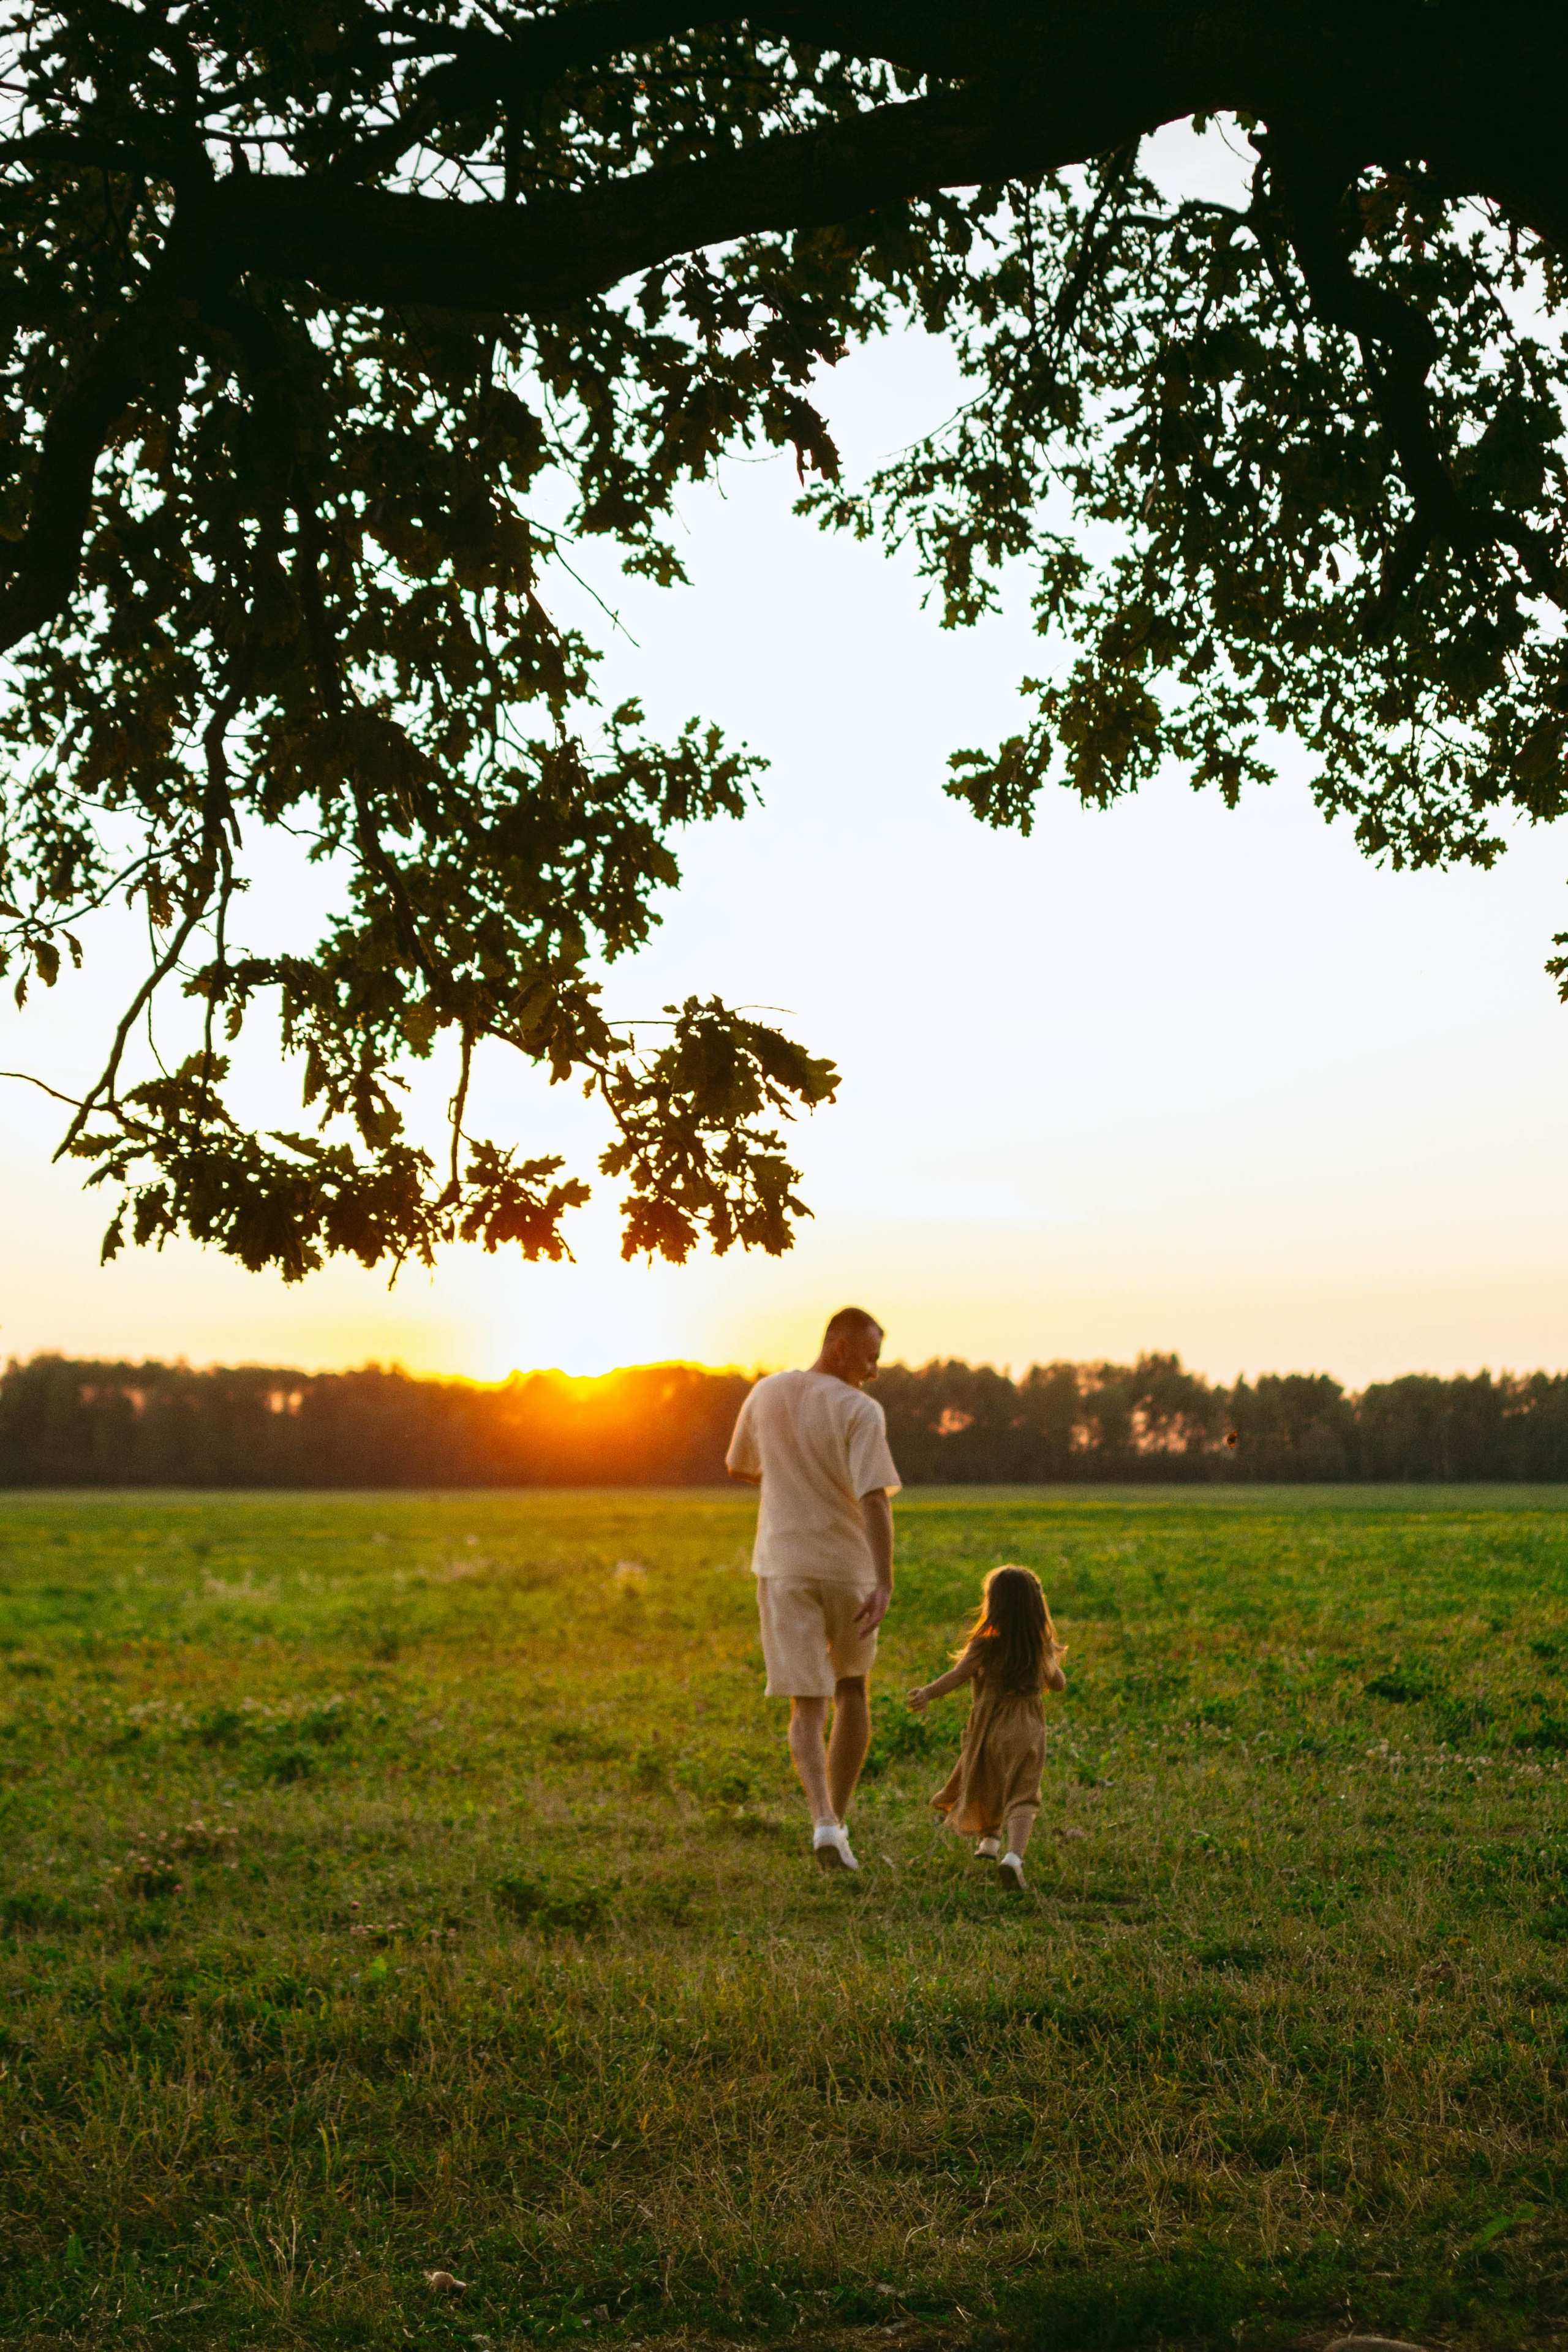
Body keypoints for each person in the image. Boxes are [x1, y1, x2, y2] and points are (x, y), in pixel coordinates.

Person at [726, 1307, 901, 1874]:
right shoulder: (860, 1410)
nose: (875, 1371)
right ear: (841, 1347)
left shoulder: (766, 1393)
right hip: (845, 1568)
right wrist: (885, 1579)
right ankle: (838, 1824)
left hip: (784, 1566)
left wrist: (788, 1479)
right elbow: (874, 1497)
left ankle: (824, 1819)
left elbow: (739, 1467)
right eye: (871, 1356)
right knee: (852, 1690)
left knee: (807, 1704)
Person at [908, 1564, 1068, 1891]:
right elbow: (1059, 1684)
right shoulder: (1040, 1645)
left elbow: (958, 1674)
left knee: (988, 1779)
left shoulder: (984, 1643)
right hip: (1027, 1730)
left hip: (989, 1728)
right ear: (1037, 1607)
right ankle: (1013, 1857)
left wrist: (927, 1693)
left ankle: (989, 1841)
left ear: (993, 1605)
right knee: (1023, 1795)